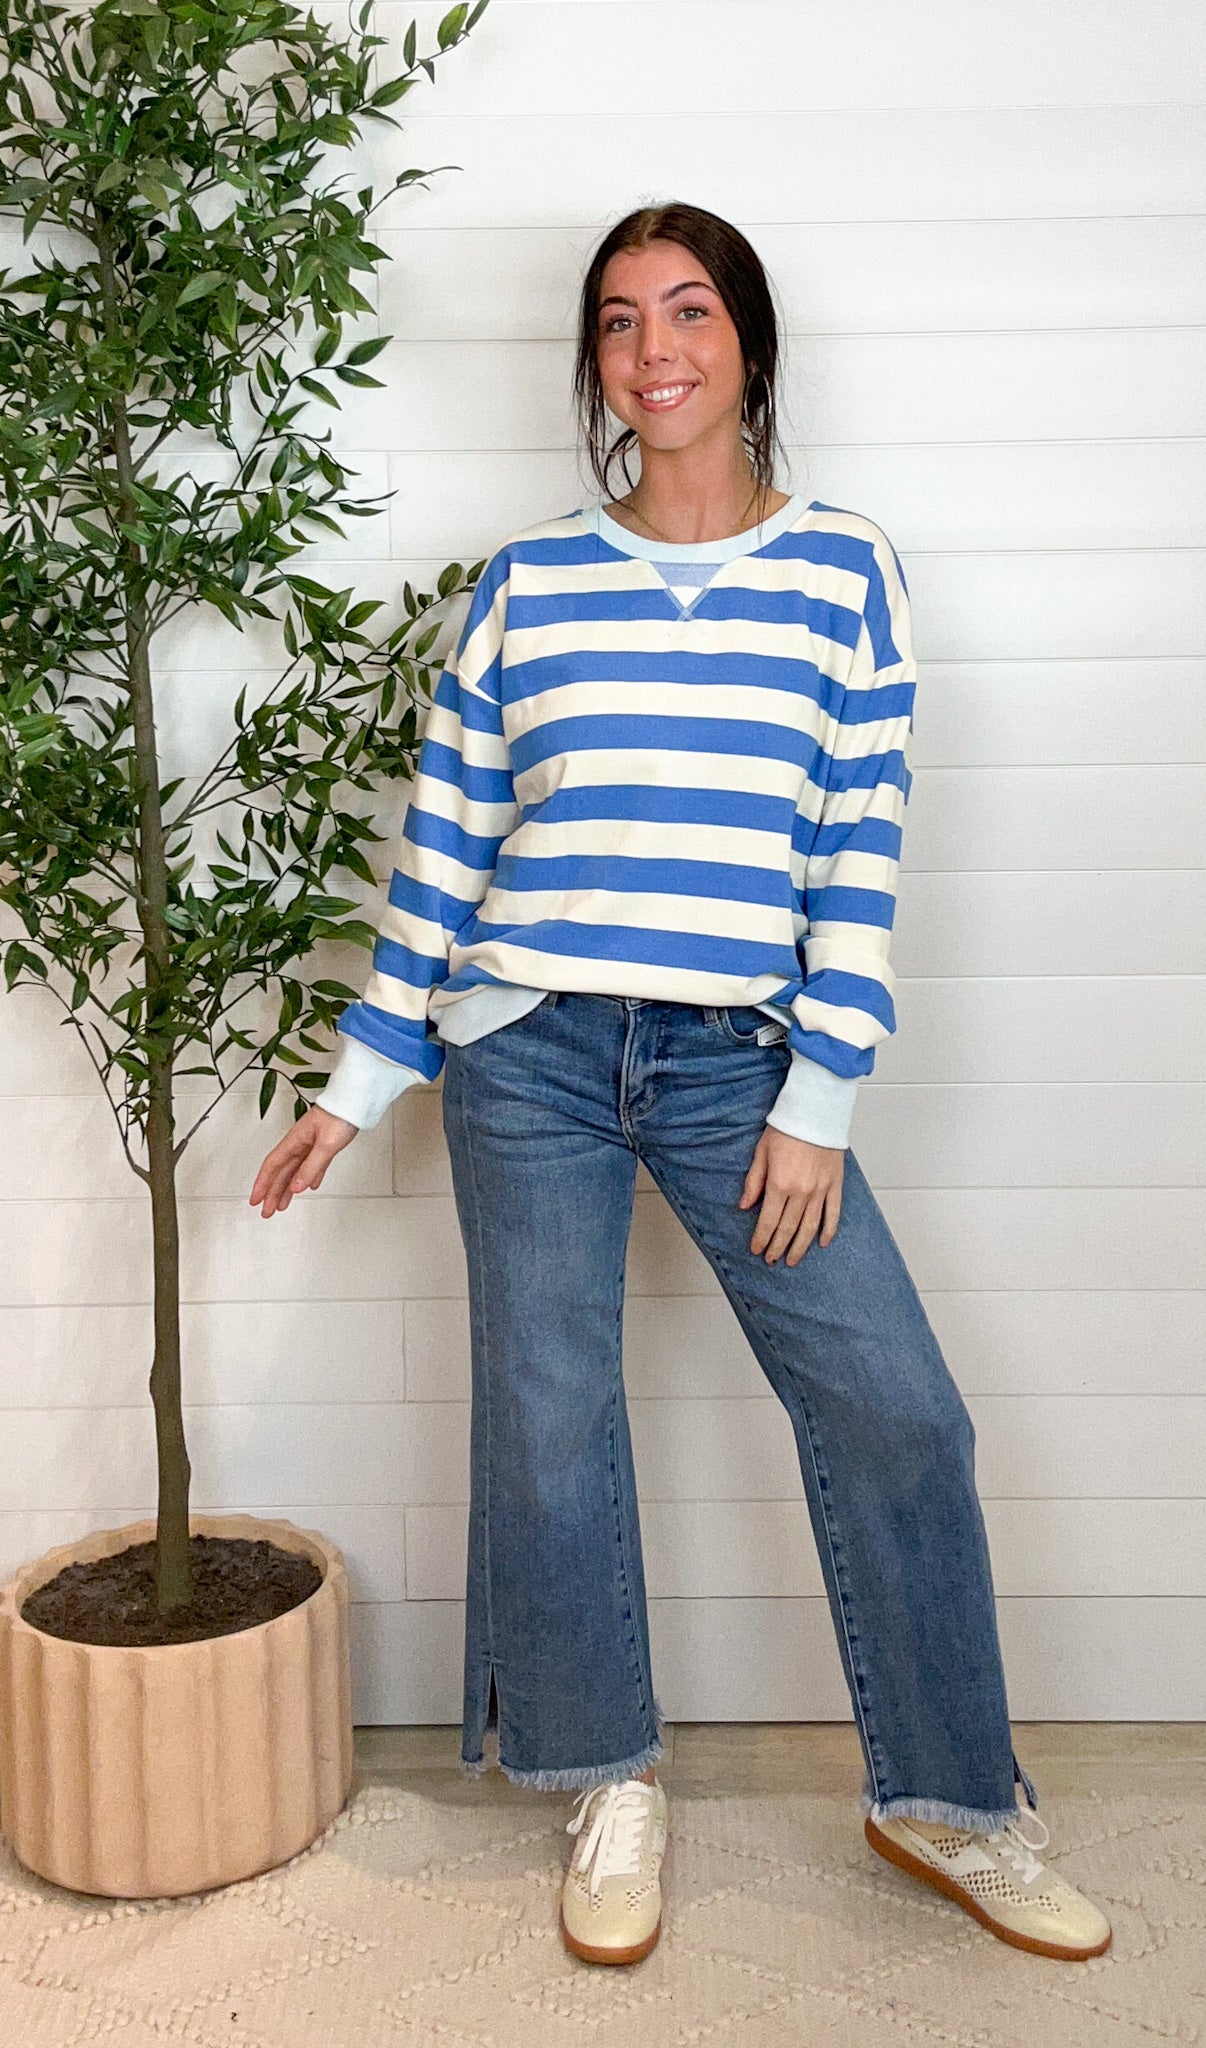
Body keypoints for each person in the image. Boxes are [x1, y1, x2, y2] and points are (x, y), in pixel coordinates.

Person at [250, 201, 1111, 1969]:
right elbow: (447, 851)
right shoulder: (526, 584)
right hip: (527, 1055)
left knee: (895, 1411)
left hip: (741, 1064)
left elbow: (856, 848)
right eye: (620, 320)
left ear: (748, 346)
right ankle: (604, 1773)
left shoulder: (842, 573)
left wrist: (818, 1099)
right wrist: (360, 1076)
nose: (654, 349)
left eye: (690, 311)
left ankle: (948, 1799)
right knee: (551, 1425)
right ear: (594, 363)